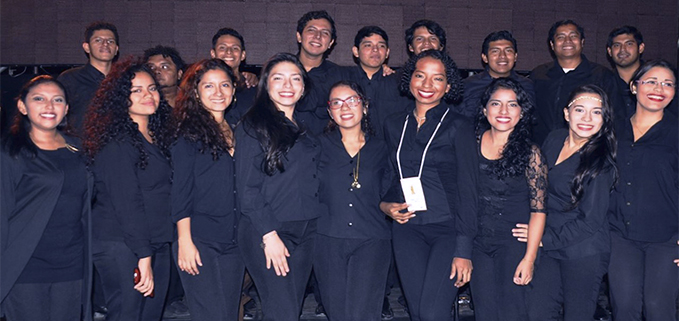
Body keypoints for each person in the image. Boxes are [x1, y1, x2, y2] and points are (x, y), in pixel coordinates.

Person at [380, 50, 476, 321]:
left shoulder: (460, 126)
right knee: (417, 313)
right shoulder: (394, 124)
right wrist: (385, 205)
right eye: (420, 75)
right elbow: (390, 174)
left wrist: (464, 250)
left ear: (448, 86)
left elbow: (470, 189)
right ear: (410, 78)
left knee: (432, 312)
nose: (427, 85)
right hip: (407, 229)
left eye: (437, 79)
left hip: (448, 229)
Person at [514, 85, 618, 321]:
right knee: (537, 313)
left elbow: (590, 221)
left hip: (583, 250)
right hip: (548, 243)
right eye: (580, 110)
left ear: (605, 118)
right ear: (566, 114)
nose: (587, 119)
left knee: (577, 315)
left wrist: (541, 238)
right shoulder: (554, 139)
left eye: (597, 112)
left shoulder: (601, 162)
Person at [83, 58, 173, 321]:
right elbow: (126, 202)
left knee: (150, 315)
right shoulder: (116, 141)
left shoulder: (156, 136)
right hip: (122, 244)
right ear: (121, 97)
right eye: (137, 90)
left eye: (152, 88)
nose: (148, 95)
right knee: (128, 314)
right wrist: (143, 255)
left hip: (155, 240)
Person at [235, 52, 322, 321]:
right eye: (278, 78)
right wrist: (269, 235)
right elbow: (247, 189)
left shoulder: (305, 126)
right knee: (282, 310)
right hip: (270, 230)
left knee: (289, 309)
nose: (288, 85)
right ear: (265, 84)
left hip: (306, 229)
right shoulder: (253, 125)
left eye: (295, 79)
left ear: (304, 86)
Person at [1, 76, 92, 321]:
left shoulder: (79, 149)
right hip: (25, 266)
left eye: (57, 100)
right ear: (22, 106)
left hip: (72, 264)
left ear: (66, 108)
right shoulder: (10, 152)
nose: (49, 106)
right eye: (39, 99)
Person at [461, 78, 546, 321]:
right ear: (484, 109)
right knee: (485, 313)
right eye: (496, 104)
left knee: (513, 313)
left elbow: (539, 210)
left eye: (512, 105)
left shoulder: (531, 153)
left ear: (522, 111)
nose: (503, 112)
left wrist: (529, 259)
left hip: (514, 244)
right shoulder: (470, 143)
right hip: (477, 243)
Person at [170, 58, 245, 321]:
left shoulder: (238, 130)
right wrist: (185, 241)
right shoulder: (187, 134)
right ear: (196, 91)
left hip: (235, 240)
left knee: (227, 314)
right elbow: (180, 191)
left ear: (234, 90)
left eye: (225, 85)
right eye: (209, 86)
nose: (218, 92)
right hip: (200, 239)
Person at [314, 80, 392, 320]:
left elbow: (389, 191)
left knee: (364, 313)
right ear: (330, 111)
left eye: (352, 101)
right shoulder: (316, 146)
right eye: (337, 102)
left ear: (365, 106)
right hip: (327, 239)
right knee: (337, 312)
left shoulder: (382, 147)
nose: (345, 107)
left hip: (371, 240)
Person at [607, 60, 678, 321]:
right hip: (619, 234)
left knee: (659, 307)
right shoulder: (612, 128)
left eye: (668, 84)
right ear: (634, 86)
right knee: (624, 308)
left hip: (666, 237)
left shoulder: (676, 131)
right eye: (651, 81)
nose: (659, 88)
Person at [530, 20, 624, 144]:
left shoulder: (602, 75)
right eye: (561, 37)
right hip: (543, 148)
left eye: (573, 36)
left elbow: (615, 117)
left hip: (588, 150)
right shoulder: (539, 74)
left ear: (582, 42)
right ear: (552, 45)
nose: (567, 41)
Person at [294, 10, 348, 135]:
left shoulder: (340, 76)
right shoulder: (280, 70)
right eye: (311, 30)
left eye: (325, 33)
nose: (317, 36)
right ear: (299, 36)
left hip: (325, 149)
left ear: (330, 43)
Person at [58, 21, 119, 132]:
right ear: (87, 47)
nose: (105, 44)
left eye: (110, 41)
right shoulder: (70, 79)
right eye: (98, 40)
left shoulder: (126, 79)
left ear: (116, 49)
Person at [348, 26, 407, 138]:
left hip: (389, 150)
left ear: (387, 52)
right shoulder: (344, 79)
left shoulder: (399, 82)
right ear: (356, 51)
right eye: (368, 45)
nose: (375, 49)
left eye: (381, 46)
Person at [461, 30, 535, 119]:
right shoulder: (467, 85)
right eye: (495, 51)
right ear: (485, 58)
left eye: (508, 51)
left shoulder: (527, 85)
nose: (502, 56)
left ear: (515, 57)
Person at [210, 28, 258, 126]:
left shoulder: (253, 88)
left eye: (235, 48)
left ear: (243, 55)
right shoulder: (203, 87)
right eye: (222, 48)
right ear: (213, 54)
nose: (228, 52)